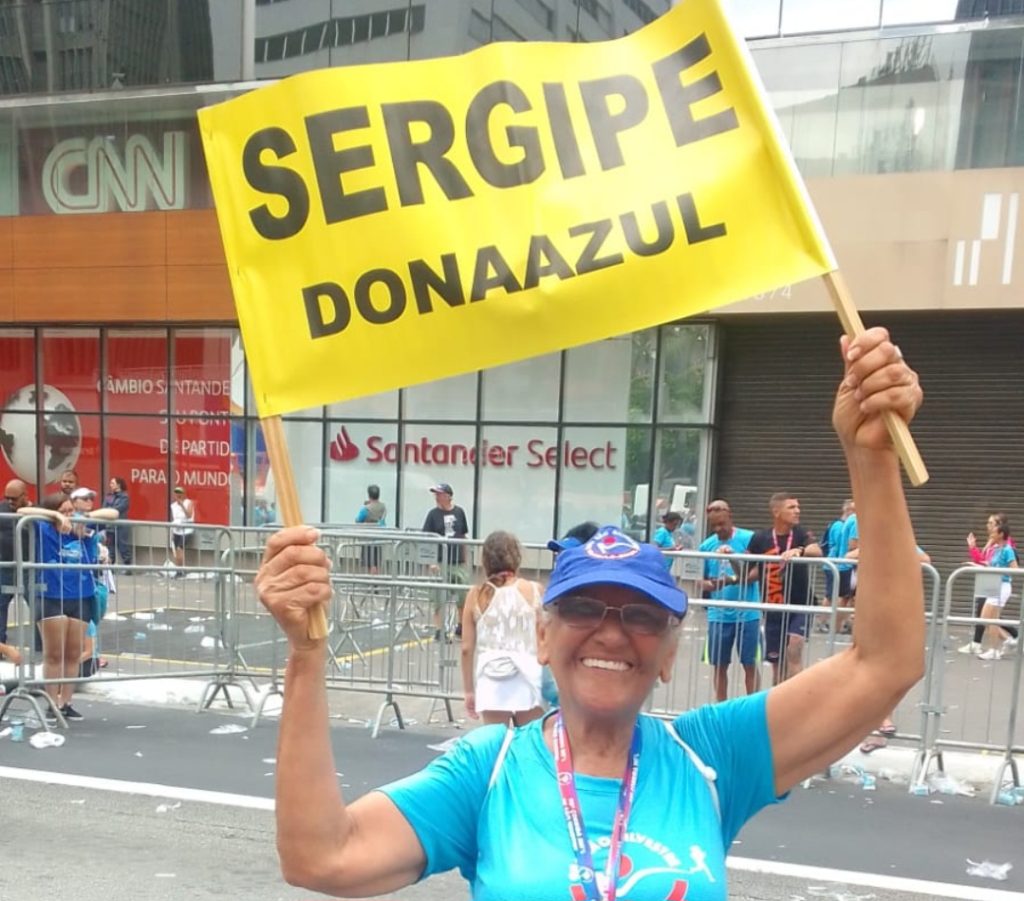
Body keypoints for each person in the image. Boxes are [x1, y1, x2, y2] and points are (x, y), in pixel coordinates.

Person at [254, 327, 924, 900]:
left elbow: (886, 662)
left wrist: (870, 457)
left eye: (641, 615)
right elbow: (322, 855)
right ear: (543, 637)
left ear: (668, 653)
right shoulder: (488, 772)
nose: (611, 629)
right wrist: (306, 654)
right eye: (582, 607)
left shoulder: (715, 755)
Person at [20, 493, 118, 722]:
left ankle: (66, 702)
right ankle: (52, 703)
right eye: (63, 510)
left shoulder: (81, 526)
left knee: (73, 654)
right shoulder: (44, 527)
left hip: (81, 595)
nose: (68, 515)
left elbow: (113, 514)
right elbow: (22, 512)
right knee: (53, 654)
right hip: (51, 595)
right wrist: (54, 515)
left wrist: (83, 517)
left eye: (69, 510)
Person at [460, 531, 544, 727]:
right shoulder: (534, 590)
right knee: (530, 745)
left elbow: (466, 648)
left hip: (492, 680)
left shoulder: (475, 595)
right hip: (528, 676)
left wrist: (469, 691)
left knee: (496, 745)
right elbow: (545, 637)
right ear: (516, 557)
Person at [747, 493, 822, 686]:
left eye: (798, 506)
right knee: (777, 664)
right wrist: (730, 557)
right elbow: (748, 571)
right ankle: (778, 705)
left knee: (794, 649)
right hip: (773, 607)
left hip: (800, 605)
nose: (797, 511)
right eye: (791, 507)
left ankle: (797, 702)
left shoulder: (799, 533)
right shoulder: (760, 538)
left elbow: (817, 550)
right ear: (776, 512)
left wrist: (800, 550)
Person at [698, 500, 761, 702]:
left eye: (721, 525)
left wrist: (732, 562)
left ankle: (752, 706)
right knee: (719, 665)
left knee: (749, 664)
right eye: (714, 526)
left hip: (747, 612)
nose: (718, 530)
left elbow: (753, 575)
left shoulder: (749, 538)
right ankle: (721, 707)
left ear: (729, 517)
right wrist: (707, 585)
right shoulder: (707, 545)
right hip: (718, 614)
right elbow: (700, 579)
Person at [960, 513, 1020, 655]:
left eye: (991, 523)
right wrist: (973, 548)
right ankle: (1006, 641)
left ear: (1000, 527)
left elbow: (1009, 566)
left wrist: (995, 571)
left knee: (987, 616)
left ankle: (986, 644)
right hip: (988, 579)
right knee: (985, 615)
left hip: (997, 582)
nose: (988, 526)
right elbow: (985, 561)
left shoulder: (1005, 545)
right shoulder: (992, 543)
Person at [422, 483, 469, 640]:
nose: (437, 497)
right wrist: (431, 562)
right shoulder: (433, 515)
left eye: (439, 494)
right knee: (438, 597)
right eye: (435, 494)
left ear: (448, 496)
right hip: (441, 561)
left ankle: (460, 626)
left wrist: (465, 558)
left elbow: (463, 535)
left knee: (463, 595)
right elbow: (427, 539)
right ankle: (439, 629)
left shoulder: (459, 512)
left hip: (457, 561)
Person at [0, 479, 30, 653]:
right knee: (0, 606)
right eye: (7, 498)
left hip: (28, 567)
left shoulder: (33, 511)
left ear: (25, 495)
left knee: (38, 607)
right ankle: (1, 647)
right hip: (6, 566)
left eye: (14, 498)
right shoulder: (1, 509)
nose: (10, 502)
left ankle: (41, 648)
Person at [818, 499, 854, 634]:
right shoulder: (840, 526)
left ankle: (840, 622)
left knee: (840, 596)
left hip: (836, 564)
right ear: (848, 510)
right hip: (839, 564)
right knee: (837, 596)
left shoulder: (838, 524)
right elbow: (842, 545)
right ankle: (829, 623)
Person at [356, 484, 387, 574]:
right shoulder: (383, 507)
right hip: (379, 537)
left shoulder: (366, 509)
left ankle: (372, 582)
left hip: (368, 537)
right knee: (376, 562)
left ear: (369, 495)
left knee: (370, 563)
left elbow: (358, 520)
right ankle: (376, 581)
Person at [103, 477, 133, 567]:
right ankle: (110, 567)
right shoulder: (109, 496)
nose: (110, 485)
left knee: (123, 545)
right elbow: (104, 507)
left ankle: (127, 565)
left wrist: (109, 510)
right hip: (109, 526)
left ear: (118, 485)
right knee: (110, 547)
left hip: (120, 525)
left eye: (112, 483)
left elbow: (119, 509)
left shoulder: (124, 497)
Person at [170, 486, 196, 572]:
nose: (178, 496)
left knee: (180, 548)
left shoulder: (189, 503)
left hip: (186, 530)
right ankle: (178, 569)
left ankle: (181, 570)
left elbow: (189, 515)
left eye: (180, 494)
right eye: (176, 494)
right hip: (177, 530)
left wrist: (182, 505)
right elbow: (174, 519)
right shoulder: (173, 506)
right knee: (176, 550)